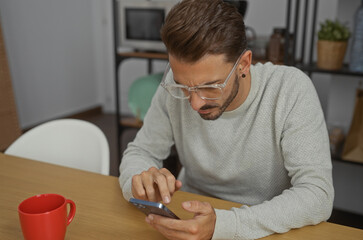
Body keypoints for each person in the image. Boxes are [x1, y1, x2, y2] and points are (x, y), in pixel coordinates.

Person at [119, 0, 334, 239]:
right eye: (183, 85)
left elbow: (318, 194)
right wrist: (138, 183)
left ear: (243, 64)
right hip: (188, 217)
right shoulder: (174, 84)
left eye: (210, 87)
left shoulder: (290, 89)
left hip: (264, 228)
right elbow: (139, 152)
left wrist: (224, 225)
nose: (195, 103)